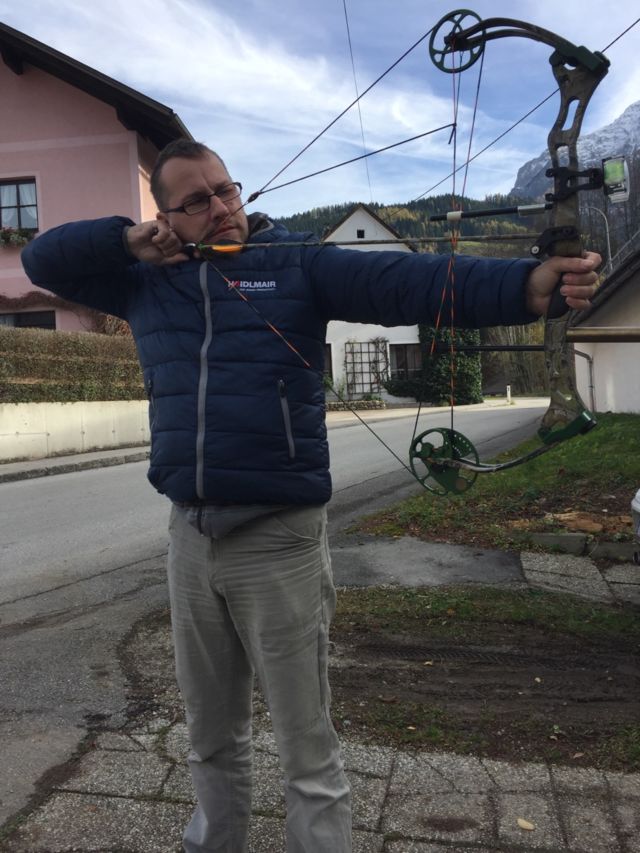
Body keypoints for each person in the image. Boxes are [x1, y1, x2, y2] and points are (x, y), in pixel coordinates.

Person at [21, 139, 600, 853]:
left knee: (306, 747)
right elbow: (42, 261)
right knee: (209, 736)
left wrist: (528, 285)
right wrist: (123, 240)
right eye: (196, 201)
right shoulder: (143, 282)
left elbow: (405, 282)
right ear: (166, 218)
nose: (220, 207)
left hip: (280, 538)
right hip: (189, 538)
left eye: (226, 189)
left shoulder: (295, 263)